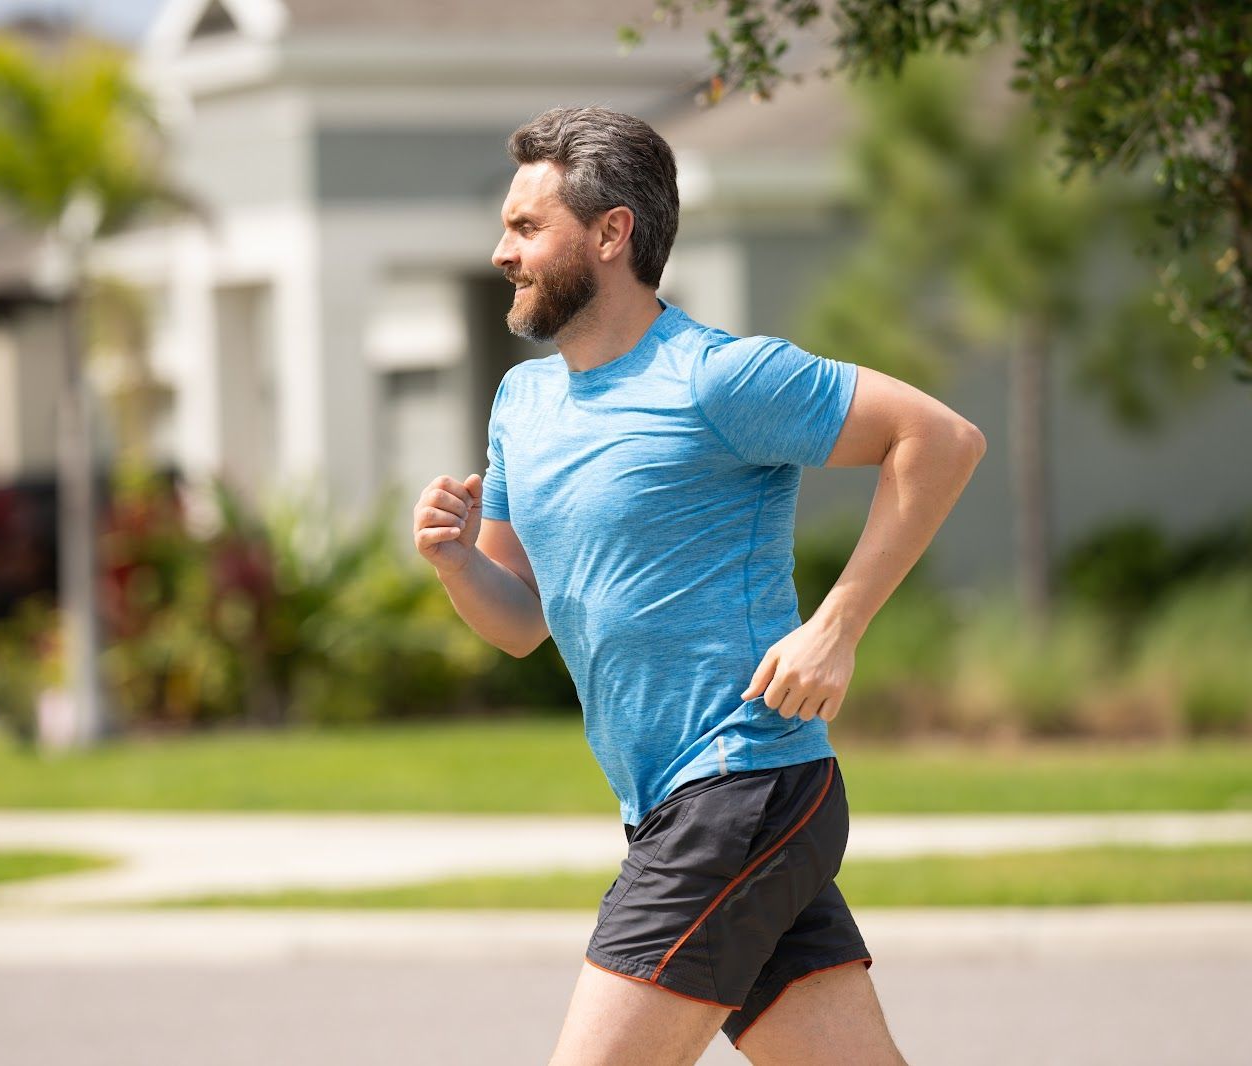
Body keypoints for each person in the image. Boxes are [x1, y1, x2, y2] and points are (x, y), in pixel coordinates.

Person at [412, 106, 986, 1065]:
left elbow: (941, 439)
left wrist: (836, 628)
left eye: (525, 227)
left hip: (740, 782)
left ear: (609, 233)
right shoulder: (524, 402)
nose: (501, 251)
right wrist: (456, 561)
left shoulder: (717, 378)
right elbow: (520, 623)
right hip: (678, 808)